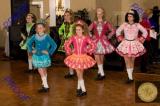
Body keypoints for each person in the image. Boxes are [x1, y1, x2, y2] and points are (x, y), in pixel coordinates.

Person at [64, 20, 96, 96]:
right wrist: (70, 51)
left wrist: (87, 50)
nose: (78, 31)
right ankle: (80, 89)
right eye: (76, 30)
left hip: (83, 57)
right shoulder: (73, 37)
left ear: (83, 30)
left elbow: (93, 45)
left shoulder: (86, 38)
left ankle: (83, 90)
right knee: (79, 74)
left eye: (79, 30)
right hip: (75, 57)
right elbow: (66, 44)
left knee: (80, 74)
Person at [116, 9, 147, 83]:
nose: (129, 18)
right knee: (127, 61)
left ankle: (131, 76)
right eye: (128, 16)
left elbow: (145, 32)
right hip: (125, 44)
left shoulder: (137, 25)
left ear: (134, 17)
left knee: (132, 61)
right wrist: (121, 38)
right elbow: (117, 31)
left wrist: (140, 39)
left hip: (134, 44)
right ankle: (130, 77)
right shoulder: (124, 24)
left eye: (131, 16)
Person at [27, 20, 57, 92]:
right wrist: (31, 50)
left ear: (44, 29)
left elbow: (54, 45)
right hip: (37, 55)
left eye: (41, 27)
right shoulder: (34, 36)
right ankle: (45, 85)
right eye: (38, 28)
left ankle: (45, 85)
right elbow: (28, 44)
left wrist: (49, 52)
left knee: (43, 70)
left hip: (44, 56)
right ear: (36, 29)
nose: (39, 29)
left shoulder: (47, 36)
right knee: (40, 69)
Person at [89, 8, 115, 80]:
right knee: (97, 57)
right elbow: (87, 30)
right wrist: (92, 36)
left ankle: (100, 72)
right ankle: (102, 73)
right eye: (98, 13)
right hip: (95, 42)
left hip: (103, 42)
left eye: (100, 13)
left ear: (103, 14)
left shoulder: (106, 22)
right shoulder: (94, 22)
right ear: (96, 14)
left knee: (101, 58)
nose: (99, 15)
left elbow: (113, 30)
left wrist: (107, 36)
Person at [58, 9, 75, 78]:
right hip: (65, 42)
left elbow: (76, 32)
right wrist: (61, 35)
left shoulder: (74, 24)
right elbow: (60, 30)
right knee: (68, 57)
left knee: (74, 57)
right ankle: (71, 72)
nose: (66, 17)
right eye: (65, 15)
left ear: (71, 16)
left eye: (68, 15)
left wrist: (72, 38)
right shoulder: (64, 24)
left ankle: (76, 70)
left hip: (73, 43)